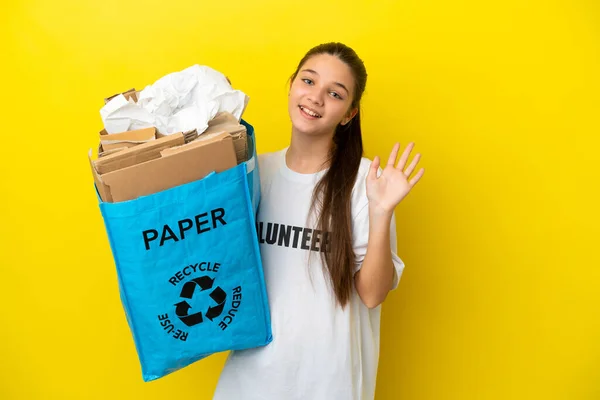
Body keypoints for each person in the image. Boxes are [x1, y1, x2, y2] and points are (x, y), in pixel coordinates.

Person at [213, 42, 425, 400]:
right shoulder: (252, 174)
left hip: (330, 383)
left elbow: (372, 295)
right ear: (292, 84)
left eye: (335, 93)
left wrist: (381, 212)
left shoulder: (367, 184)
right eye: (308, 81)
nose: (316, 98)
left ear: (349, 114)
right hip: (249, 381)